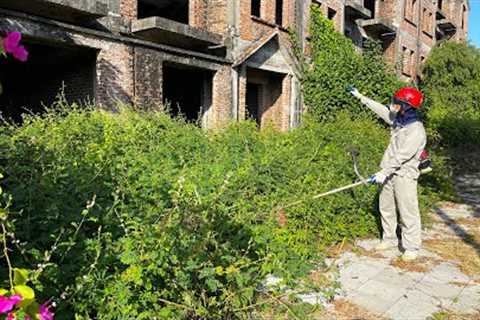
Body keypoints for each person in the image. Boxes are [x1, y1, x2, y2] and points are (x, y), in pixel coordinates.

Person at [347, 85, 427, 261]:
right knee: (386, 207)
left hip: (404, 175)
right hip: (388, 172)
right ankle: (389, 239)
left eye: (397, 103)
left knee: (407, 211)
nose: (394, 106)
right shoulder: (399, 120)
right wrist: (360, 96)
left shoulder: (416, 130)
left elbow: (402, 155)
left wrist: (384, 172)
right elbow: (381, 110)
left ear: (407, 106)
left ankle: (411, 246)